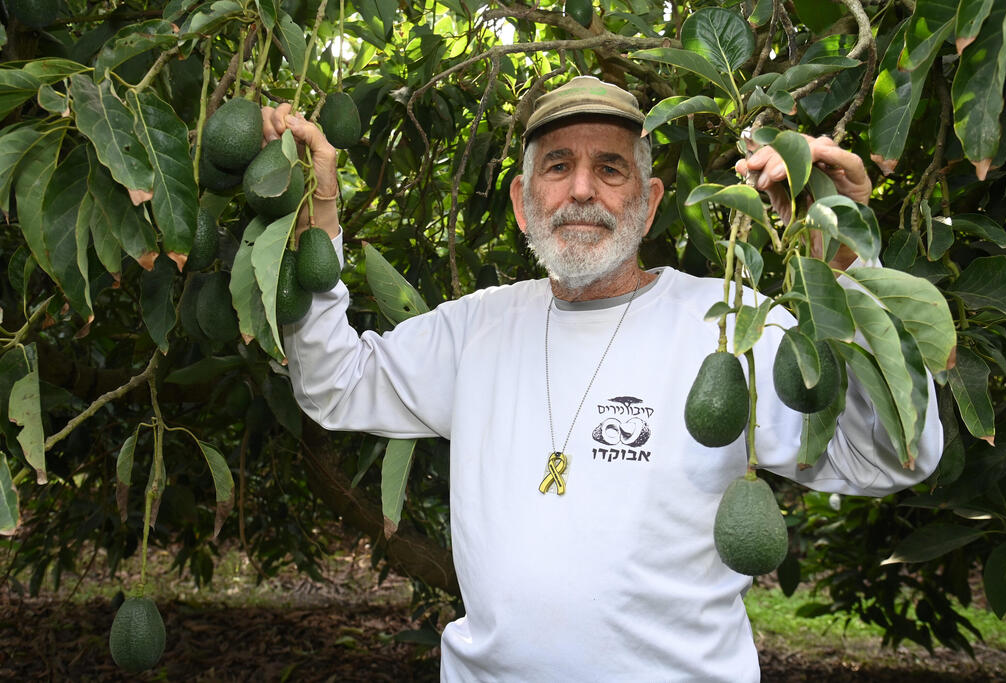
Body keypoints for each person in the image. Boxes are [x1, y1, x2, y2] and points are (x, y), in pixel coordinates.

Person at [265, 76, 942, 681]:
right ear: (524, 202)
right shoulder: (476, 330)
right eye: (558, 166)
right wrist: (319, 212)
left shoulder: (734, 328)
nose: (582, 189)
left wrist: (848, 262)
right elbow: (333, 381)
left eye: (609, 168)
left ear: (648, 204)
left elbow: (889, 451)